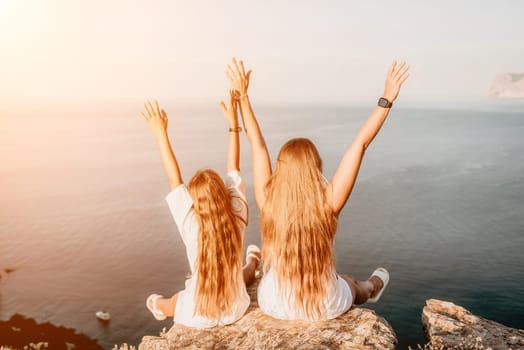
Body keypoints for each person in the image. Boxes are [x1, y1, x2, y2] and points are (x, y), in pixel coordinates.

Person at [225, 58, 409, 320]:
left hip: (276, 303)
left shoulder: (269, 202)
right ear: (315, 167)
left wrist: (243, 97)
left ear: (281, 169)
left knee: (298, 275)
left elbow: (258, 146)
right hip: (324, 304)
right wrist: (387, 98)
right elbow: (360, 144)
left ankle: (254, 263)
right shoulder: (328, 202)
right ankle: (372, 287)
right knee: (350, 284)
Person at [140, 93, 261, 327]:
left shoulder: (190, 221)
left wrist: (160, 134)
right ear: (222, 193)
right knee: (239, 277)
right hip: (236, 307)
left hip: (200, 313)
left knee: (173, 302)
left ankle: (156, 306)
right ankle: (254, 263)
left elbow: (174, 178)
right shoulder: (237, 212)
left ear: (196, 203)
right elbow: (233, 167)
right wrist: (232, 125)